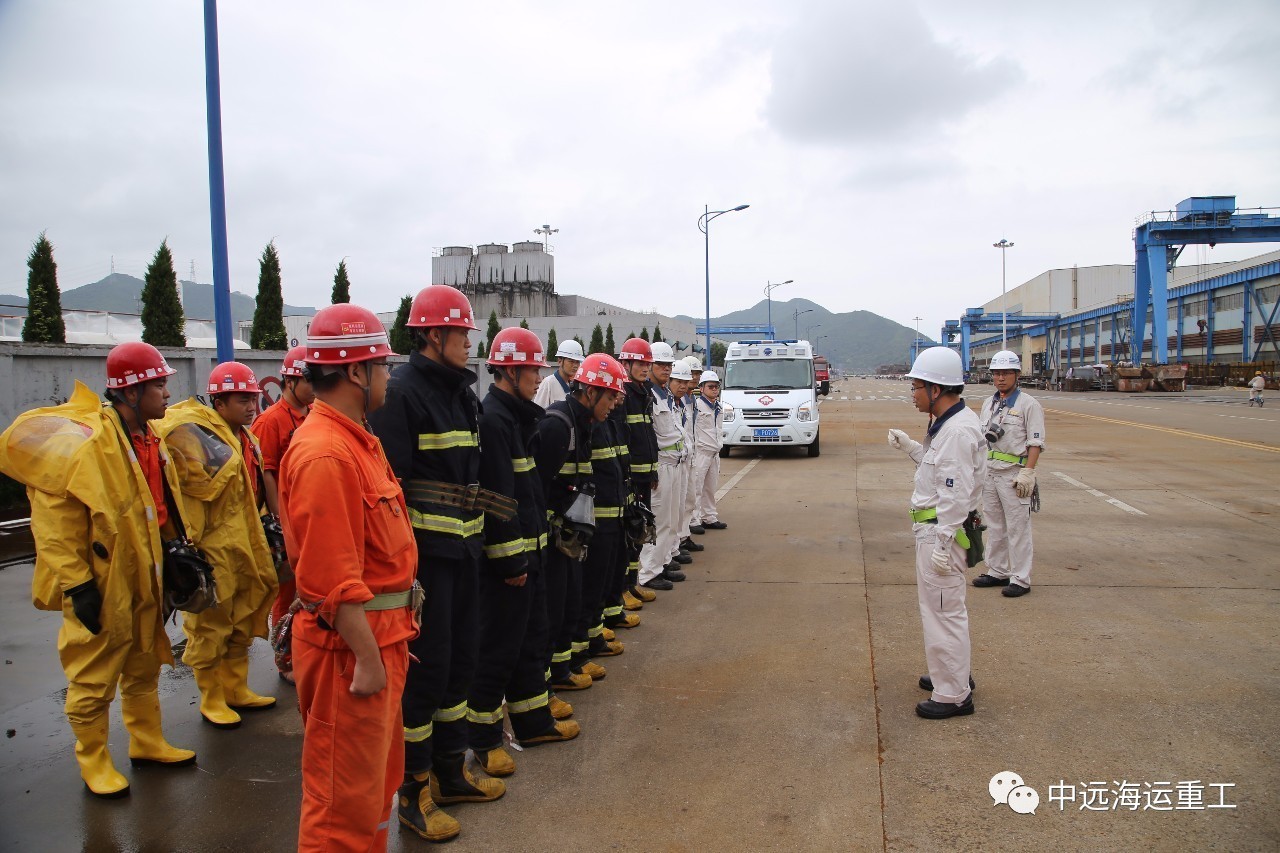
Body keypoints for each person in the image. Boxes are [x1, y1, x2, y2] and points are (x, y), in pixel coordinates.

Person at [0, 342, 196, 797]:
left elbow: (158, 507)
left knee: (144, 657)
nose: (168, 393)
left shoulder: (150, 438)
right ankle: (94, 759)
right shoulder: (85, 444)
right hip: (101, 581)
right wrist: (78, 584)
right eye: (159, 384)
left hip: (144, 573)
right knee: (93, 671)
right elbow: (54, 526)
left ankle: (147, 741)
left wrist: (173, 555)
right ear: (130, 392)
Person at [278, 303, 420, 852]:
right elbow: (330, 579)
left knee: (371, 793)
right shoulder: (326, 454)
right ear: (357, 372)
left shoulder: (355, 439)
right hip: (351, 655)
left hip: (381, 644)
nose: (389, 375)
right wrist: (365, 658)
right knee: (341, 808)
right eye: (383, 365)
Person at [367, 284, 504, 843]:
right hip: (425, 565)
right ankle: (412, 794)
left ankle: (450, 773)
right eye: (461, 332)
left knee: (459, 664)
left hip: (465, 554)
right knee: (425, 677)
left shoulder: (460, 393)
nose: (469, 341)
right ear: (431, 334)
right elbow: (391, 488)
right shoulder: (402, 394)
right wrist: (405, 572)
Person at [468, 328, 579, 781]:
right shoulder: (494, 420)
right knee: (498, 652)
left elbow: (530, 491)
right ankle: (486, 741)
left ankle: (533, 723)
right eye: (533, 369)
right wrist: (512, 561)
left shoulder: (519, 418)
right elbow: (497, 498)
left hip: (531, 553)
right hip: (509, 565)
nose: (539, 377)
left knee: (532, 642)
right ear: (510, 371)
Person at [154, 363, 278, 728]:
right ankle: (211, 697)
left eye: (253, 398)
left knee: (242, 617)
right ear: (219, 402)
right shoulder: (195, 437)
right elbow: (190, 498)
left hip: (246, 544)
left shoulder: (246, 439)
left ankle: (236, 687)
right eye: (242, 399)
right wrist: (193, 550)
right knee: (210, 625)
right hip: (214, 547)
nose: (251, 406)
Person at [887, 347, 985, 720]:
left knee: (944, 611)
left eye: (916, 387)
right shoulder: (948, 424)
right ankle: (951, 672)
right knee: (942, 609)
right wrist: (912, 448)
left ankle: (954, 694)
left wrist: (944, 541)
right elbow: (938, 473)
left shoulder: (957, 431)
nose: (912, 394)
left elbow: (956, 493)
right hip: (936, 530)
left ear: (936, 388)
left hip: (941, 534)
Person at [253, 345, 314, 684]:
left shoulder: (310, 415)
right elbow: (267, 474)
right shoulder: (271, 421)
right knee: (287, 592)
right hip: (286, 521)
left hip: (307, 518)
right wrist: (281, 521)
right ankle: (284, 657)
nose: (314, 387)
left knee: (309, 589)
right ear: (289, 381)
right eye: (308, 381)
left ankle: (304, 650)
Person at [970, 351, 1045, 598]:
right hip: (991, 473)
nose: (1001, 378)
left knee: (1018, 528)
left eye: (1006, 373)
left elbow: (1036, 443)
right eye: (997, 373)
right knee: (995, 525)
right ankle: (997, 571)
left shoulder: (1028, 405)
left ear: (1016, 375)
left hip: (1014, 474)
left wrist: (1028, 473)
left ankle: (1021, 578)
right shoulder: (989, 404)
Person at [637, 342, 686, 591]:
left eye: (669, 365)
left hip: (675, 462)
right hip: (661, 464)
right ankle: (648, 572)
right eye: (660, 365)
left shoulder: (664, 394)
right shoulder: (647, 395)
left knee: (670, 518)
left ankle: (663, 562)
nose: (666, 369)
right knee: (656, 520)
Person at [618, 338, 659, 605]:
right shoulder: (623, 395)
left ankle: (633, 583)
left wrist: (653, 471)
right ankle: (621, 589)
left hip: (645, 476)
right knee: (627, 533)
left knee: (640, 530)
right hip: (630, 477)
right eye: (640, 363)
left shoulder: (645, 393)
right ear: (627, 363)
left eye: (647, 363)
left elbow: (649, 435)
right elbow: (623, 439)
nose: (645, 368)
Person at [688, 370, 726, 532]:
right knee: (696, 488)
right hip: (701, 452)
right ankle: (693, 520)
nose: (714, 389)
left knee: (710, 488)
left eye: (717, 386)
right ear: (701, 388)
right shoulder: (696, 405)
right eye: (710, 386)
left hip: (714, 453)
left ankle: (709, 517)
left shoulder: (718, 406)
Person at [533, 338, 584, 409]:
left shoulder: (573, 386)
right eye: (571, 361)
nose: (575, 366)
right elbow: (538, 412)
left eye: (577, 362)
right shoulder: (548, 383)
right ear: (560, 361)